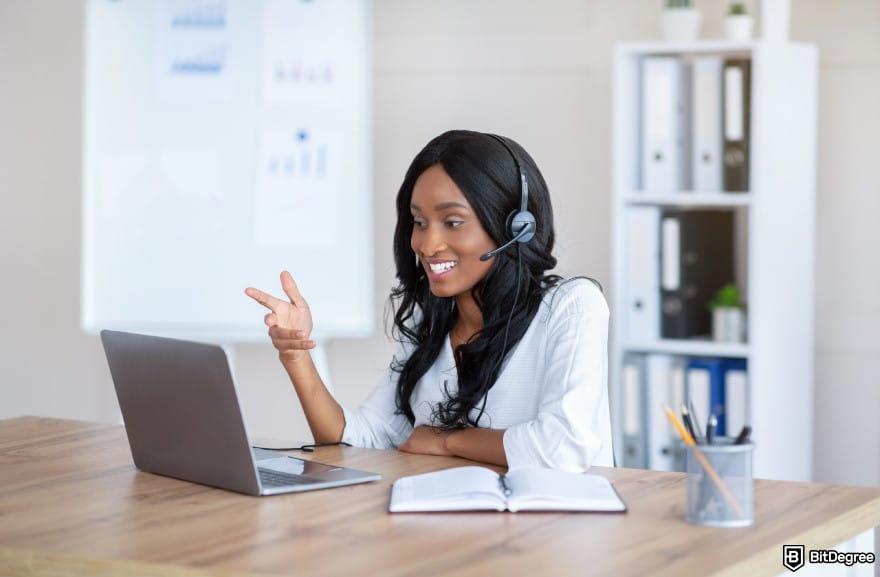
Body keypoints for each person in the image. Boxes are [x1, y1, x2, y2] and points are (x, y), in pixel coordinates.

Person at [245, 130, 613, 472]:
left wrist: (446, 440)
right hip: (460, 529)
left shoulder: (572, 306)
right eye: (419, 222)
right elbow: (359, 438)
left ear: (516, 226)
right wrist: (296, 357)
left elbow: (565, 446)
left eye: (452, 222)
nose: (426, 244)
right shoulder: (433, 322)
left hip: (556, 533)